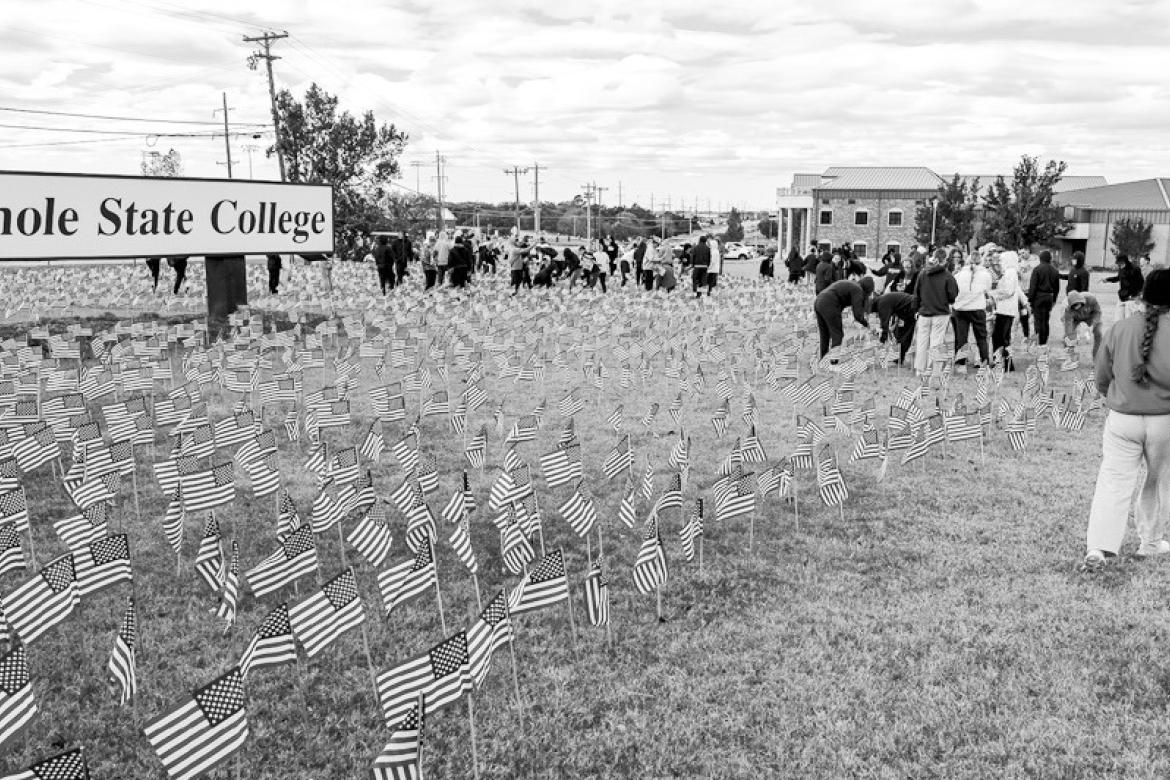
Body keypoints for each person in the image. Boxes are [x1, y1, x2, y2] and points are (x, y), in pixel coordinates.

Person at [1083, 270, 1170, 568]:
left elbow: (1102, 375)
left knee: (1113, 481)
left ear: (1144, 297)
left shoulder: (1120, 328)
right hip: (1164, 421)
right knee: (1158, 482)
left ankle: (1100, 547)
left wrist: (1116, 398)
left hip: (1123, 417)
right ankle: (1150, 542)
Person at [912, 251, 958, 375]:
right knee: (936, 342)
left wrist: (916, 309)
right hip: (940, 313)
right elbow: (953, 295)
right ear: (944, 260)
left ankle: (920, 370)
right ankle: (931, 369)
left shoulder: (923, 273)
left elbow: (916, 293)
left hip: (924, 312)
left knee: (921, 341)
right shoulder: (947, 275)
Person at [814, 277, 875, 358]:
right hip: (830, 304)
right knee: (837, 336)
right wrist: (866, 324)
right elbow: (857, 315)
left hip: (819, 301)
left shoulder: (853, 285)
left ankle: (823, 359)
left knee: (825, 334)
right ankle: (834, 362)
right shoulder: (858, 290)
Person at [951, 249, 992, 365]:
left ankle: (960, 363)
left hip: (961, 308)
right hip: (977, 308)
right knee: (981, 338)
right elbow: (987, 290)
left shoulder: (959, 275)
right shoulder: (985, 274)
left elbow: (955, 289)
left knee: (962, 338)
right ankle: (984, 361)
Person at [991, 250, 1022, 370]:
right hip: (1006, 309)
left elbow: (1008, 291)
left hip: (1005, 309)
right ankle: (1007, 364)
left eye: (1002, 260)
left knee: (1000, 337)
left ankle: (1001, 362)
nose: (1000, 262)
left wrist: (995, 295)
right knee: (1003, 338)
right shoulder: (1011, 272)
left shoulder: (1010, 272)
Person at [872, 291, 917, 365]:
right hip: (905, 310)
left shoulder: (882, 304)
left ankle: (899, 359)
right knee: (898, 335)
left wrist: (882, 340)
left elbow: (884, 324)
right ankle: (898, 358)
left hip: (910, 309)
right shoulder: (881, 300)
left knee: (905, 335)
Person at [1027, 249, 1061, 345]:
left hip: (1038, 296)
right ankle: (1044, 340)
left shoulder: (1037, 269)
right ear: (1050, 259)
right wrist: (1054, 300)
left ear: (1040, 258)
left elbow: (1033, 286)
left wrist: (1030, 299)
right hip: (1049, 297)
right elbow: (1057, 288)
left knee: (1038, 320)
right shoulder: (1055, 270)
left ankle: (1039, 339)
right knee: (1045, 320)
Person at [1063, 291, 1104, 358]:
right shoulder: (1068, 310)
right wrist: (1070, 337)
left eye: (1077, 304)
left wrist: (1093, 325)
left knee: (1098, 333)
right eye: (1074, 306)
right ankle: (1069, 358)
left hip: (1091, 316)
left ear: (1081, 301)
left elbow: (1098, 312)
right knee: (1067, 336)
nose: (1076, 308)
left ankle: (1097, 358)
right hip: (1075, 319)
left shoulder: (1091, 299)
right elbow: (1068, 326)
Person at [1105, 254, 1145, 320]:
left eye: (1121, 264)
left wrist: (1139, 295)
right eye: (1118, 264)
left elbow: (1141, 283)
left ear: (1125, 262)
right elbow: (1118, 278)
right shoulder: (1121, 269)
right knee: (1117, 320)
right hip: (1122, 296)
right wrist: (1108, 279)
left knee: (1128, 319)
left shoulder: (1135, 269)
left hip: (1132, 298)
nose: (1119, 266)